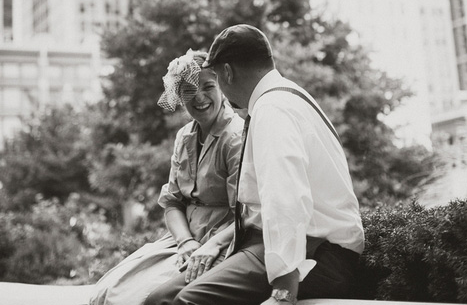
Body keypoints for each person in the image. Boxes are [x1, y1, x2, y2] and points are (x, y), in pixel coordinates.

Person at [145, 24, 364, 305]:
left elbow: (285, 199)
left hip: (321, 254)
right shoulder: (285, 96)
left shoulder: (271, 110)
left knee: (187, 302)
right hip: (281, 244)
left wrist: (283, 292)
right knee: (161, 299)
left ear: (226, 72)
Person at [89, 49, 244, 305]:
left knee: (150, 298)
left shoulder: (235, 137)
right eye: (188, 90)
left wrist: (206, 246)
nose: (200, 97)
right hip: (182, 238)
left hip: (221, 240)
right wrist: (184, 241)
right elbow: (172, 202)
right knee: (109, 290)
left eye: (208, 86)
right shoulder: (184, 137)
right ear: (179, 97)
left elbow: (244, 214)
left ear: (222, 88)